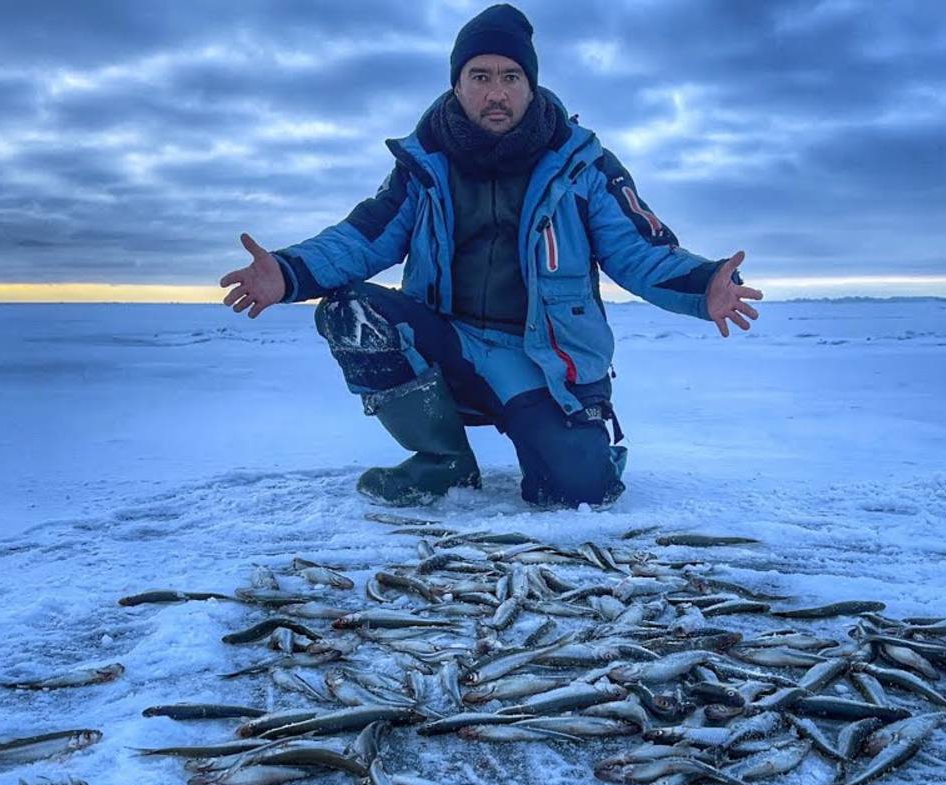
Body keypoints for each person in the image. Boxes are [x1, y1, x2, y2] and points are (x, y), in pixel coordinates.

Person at [219, 3, 762, 509]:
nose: (495, 92)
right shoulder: (423, 164)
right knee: (351, 311)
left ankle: (586, 444)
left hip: (539, 360)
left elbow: (638, 250)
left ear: (531, 85)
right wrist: (287, 272)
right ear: (457, 85)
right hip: (451, 342)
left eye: (510, 77)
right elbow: (364, 237)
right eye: (480, 77)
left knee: (577, 493)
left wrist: (702, 284)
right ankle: (444, 462)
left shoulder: (582, 165)